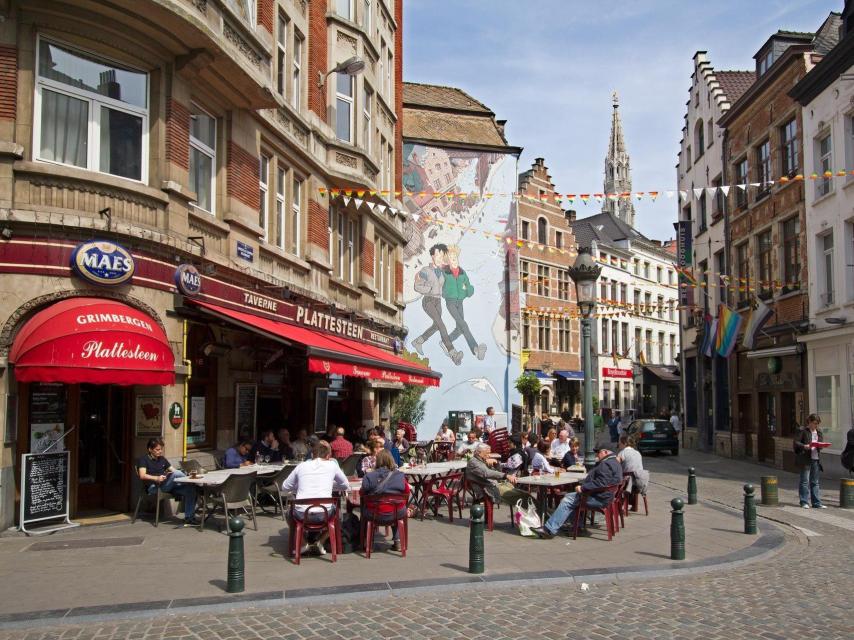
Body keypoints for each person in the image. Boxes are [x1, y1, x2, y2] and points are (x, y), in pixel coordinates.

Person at [532, 447, 623, 539]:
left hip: (599, 498)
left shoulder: (606, 464)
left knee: (568, 499)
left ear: (605, 452)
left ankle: (549, 530)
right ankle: (578, 527)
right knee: (570, 497)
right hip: (605, 496)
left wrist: (583, 488)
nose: (597, 455)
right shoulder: (615, 463)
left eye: (598, 453)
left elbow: (601, 483)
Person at [282, 440, 350, 556]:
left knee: (289, 513)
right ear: (328, 456)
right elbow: (345, 485)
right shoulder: (332, 465)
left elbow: (285, 486)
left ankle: (303, 543)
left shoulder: (301, 466)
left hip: (302, 515)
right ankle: (321, 541)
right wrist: (330, 484)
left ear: (312, 455)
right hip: (324, 514)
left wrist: (299, 487)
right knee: (338, 516)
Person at [411, 243, 463, 365]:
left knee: (436, 326)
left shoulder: (442, 273)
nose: (440, 257)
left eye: (442, 255)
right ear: (432, 256)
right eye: (438, 254)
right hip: (428, 301)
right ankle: (453, 353)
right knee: (442, 325)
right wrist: (429, 289)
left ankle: (418, 341)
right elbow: (417, 286)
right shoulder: (426, 271)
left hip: (438, 301)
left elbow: (444, 287)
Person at [137, 438, 198, 526]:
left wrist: (170, 476)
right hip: (154, 487)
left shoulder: (162, 459)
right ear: (150, 449)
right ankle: (193, 481)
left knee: (191, 489)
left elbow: (173, 470)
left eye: (161, 449)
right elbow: (142, 475)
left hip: (167, 485)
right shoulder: (143, 459)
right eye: (157, 449)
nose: (160, 451)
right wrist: (156, 478)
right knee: (176, 474)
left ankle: (189, 518)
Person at [442, 244, 487, 360]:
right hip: (450, 302)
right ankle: (475, 349)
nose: (454, 260)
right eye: (452, 259)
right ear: (448, 261)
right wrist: (446, 293)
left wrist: (466, 290)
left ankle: (445, 342)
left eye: (455, 258)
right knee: (464, 325)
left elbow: (470, 289)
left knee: (460, 328)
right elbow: (440, 287)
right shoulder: (445, 272)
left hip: (459, 302)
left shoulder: (462, 273)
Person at [360, 450, 408, 552]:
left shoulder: (369, 476)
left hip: (374, 513)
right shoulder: (400, 475)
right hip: (396, 513)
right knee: (397, 507)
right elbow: (406, 492)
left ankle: (368, 542)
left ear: (377, 461)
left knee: (364, 510)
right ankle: (398, 541)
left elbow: (362, 493)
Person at [794, 414, 827, 508]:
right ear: (809, 422)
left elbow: (820, 443)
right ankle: (804, 502)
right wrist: (804, 446)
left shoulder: (819, 432)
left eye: (817, 424)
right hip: (806, 459)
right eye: (814, 423)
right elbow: (796, 442)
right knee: (804, 481)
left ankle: (816, 503)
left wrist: (821, 446)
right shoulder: (803, 430)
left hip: (816, 459)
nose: (816, 426)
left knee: (815, 482)